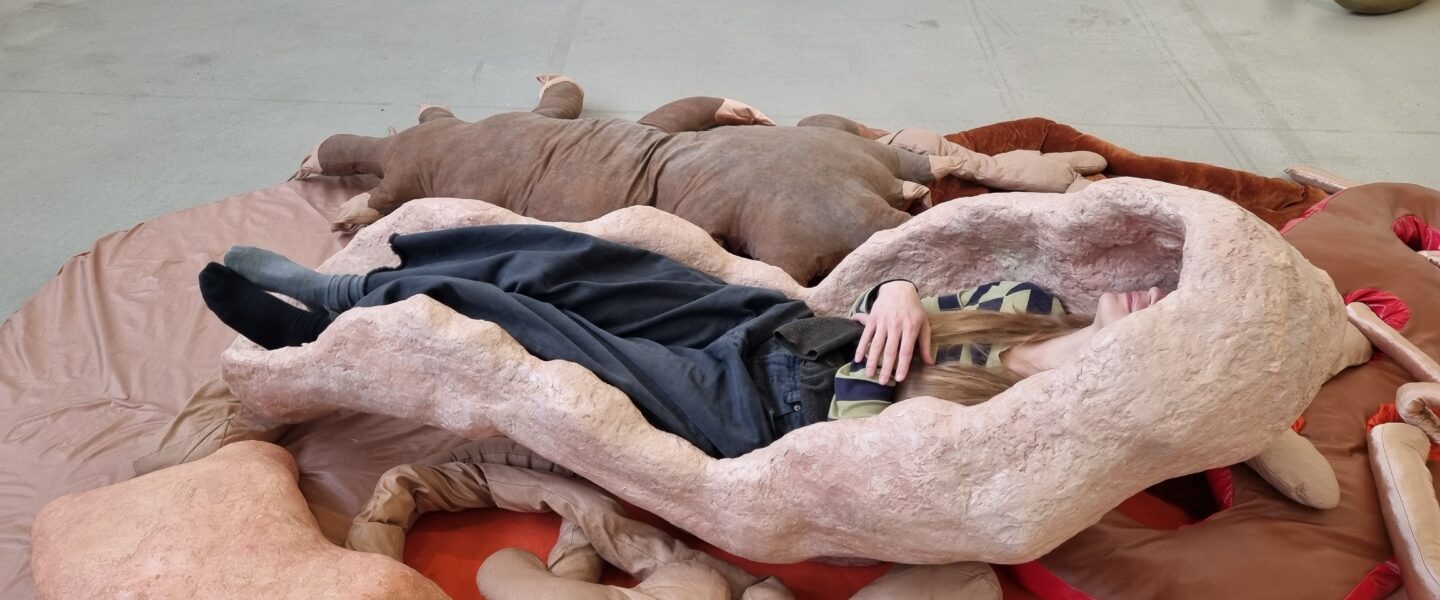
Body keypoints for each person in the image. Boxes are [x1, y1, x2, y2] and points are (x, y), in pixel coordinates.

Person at [199, 225, 1165, 459]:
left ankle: (329, 320)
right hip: (777, 328)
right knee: (578, 261)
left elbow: (860, 457)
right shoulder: (1032, 303)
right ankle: (348, 288)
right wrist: (904, 293)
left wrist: (883, 368)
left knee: (530, 328)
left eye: (1159, 317)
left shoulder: (1035, 428)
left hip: (753, 412)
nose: (1144, 298)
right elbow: (889, 293)